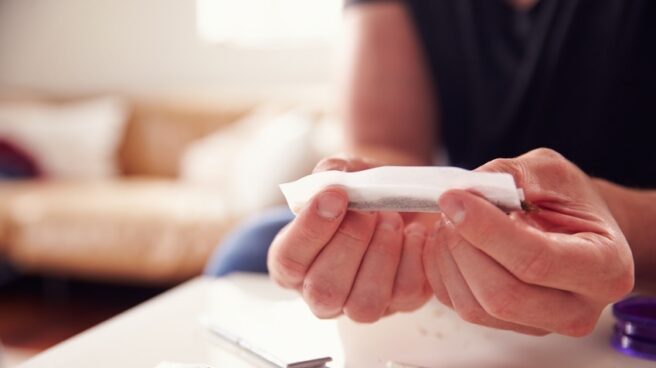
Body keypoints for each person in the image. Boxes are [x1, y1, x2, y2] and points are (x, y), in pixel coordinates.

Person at [207, 0, 656, 336]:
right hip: (456, 233)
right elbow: (386, 145)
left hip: (636, 243)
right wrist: (393, 224)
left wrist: (619, 221)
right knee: (250, 249)